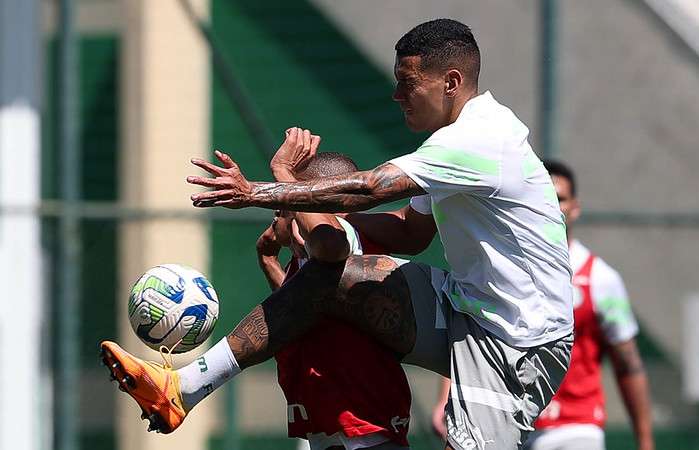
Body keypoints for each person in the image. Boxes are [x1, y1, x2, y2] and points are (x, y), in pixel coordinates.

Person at [101, 18, 574, 450]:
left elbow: (370, 188)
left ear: (451, 82)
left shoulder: (480, 139)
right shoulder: (452, 143)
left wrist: (265, 190)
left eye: (407, 83)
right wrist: (319, 223)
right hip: (463, 308)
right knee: (333, 276)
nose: (395, 95)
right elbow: (410, 232)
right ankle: (183, 387)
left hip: (519, 342)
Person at [256, 149, 413, 450]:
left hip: (365, 430)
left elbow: (330, 242)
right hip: (334, 430)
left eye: (287, 203)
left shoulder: (345, 243)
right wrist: (270, 262)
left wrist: (284, 173)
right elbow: (299, 314)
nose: (278, 213)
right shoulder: (303, 264)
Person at [527, 160, 654, 450]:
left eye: (559, 198)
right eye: (543, 195)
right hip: (516, 426)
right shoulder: (509, 269)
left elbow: (628, 363)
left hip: (575, 430)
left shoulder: (600, 278)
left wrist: (645, 442)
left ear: (575, 207)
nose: (551, 205)